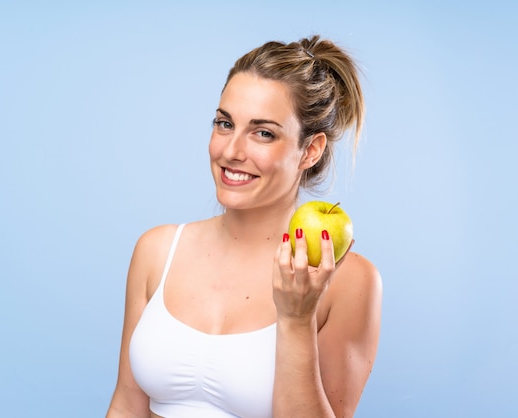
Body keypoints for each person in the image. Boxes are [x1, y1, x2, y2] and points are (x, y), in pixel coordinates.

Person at [106, 35, 382, 418]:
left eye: (263, 132)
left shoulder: (347, 280)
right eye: (224, 124)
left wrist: (296, 319)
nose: (231, 151)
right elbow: (126, 406)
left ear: (310, 150)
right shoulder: (157, 250)